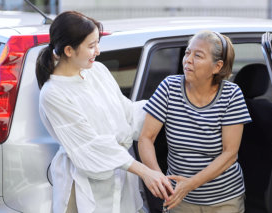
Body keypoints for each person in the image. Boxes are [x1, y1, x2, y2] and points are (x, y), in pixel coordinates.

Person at [36, 11, 173, 213]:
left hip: (121, 181)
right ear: (68, 50)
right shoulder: (53, 93)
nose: (98, 51)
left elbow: (127, 113)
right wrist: (145, 172)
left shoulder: (97, 71)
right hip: (86, 188)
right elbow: (91, 145)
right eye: (91, 46)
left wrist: (168, 106)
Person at [138, 30, 252, 212]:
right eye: (187, 53)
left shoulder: (231, 94)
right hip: (177, 198)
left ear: (217, 67)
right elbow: (146, 138)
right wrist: (157, 177)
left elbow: (230, 154)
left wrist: (189, 185)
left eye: (198, 55)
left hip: (224, 199)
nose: (188, 60)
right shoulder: (169, 87)